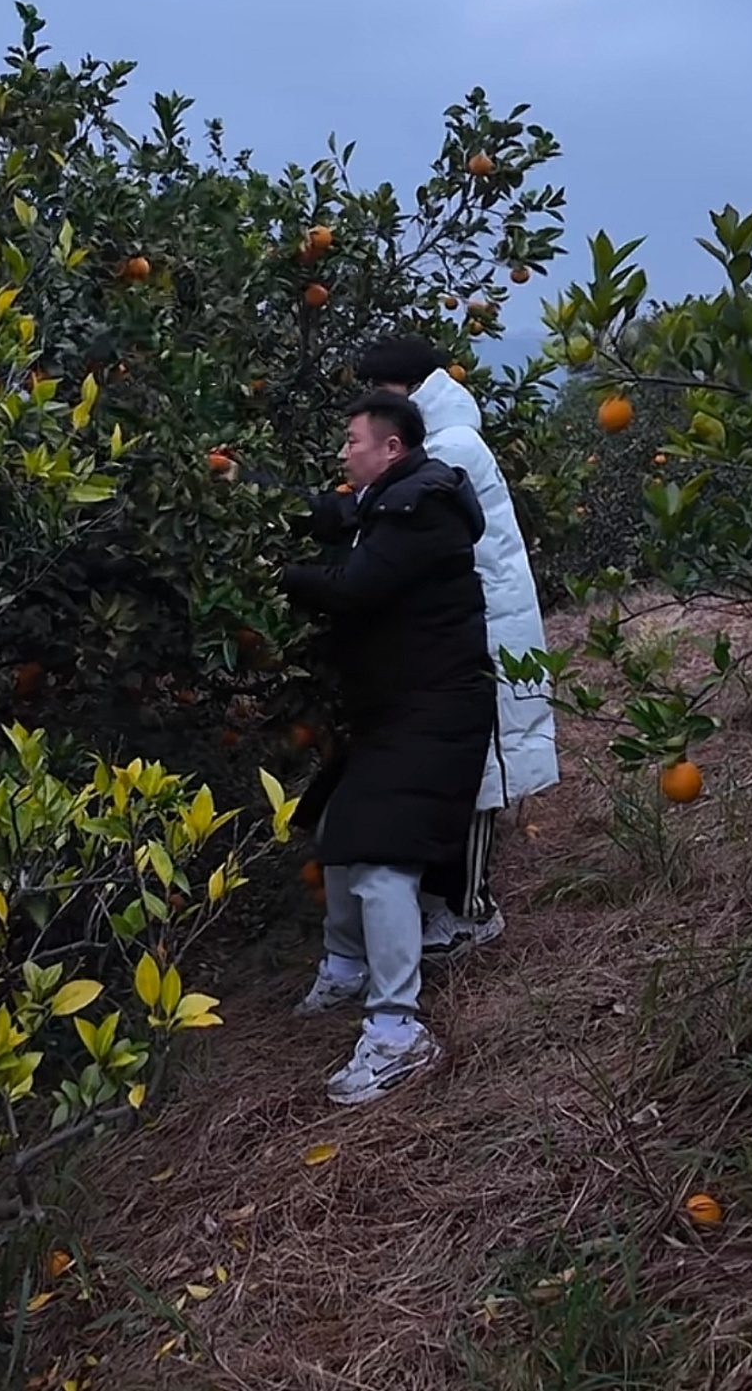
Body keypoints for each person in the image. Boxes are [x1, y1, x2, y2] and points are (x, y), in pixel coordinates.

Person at [281, 390, 496, 1106]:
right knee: (341, 833)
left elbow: (353, 587)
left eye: (352, 441)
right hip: (402, 707)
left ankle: (398, 1031)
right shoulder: (395, 497)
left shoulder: (423, 510)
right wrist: (248, 496)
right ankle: (346, 967)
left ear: (390, 448)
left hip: (436, 710)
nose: (344, 453)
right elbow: (333, 512)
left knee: (379, 860)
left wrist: (276, 577)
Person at [356, 335, 559, 956]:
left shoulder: (449, 449)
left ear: (405, 390)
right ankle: (455, 901)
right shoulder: (441, 439)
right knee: (463, 773)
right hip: (465, 631)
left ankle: (473, 911)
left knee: (479, 775)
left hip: (483, 635)